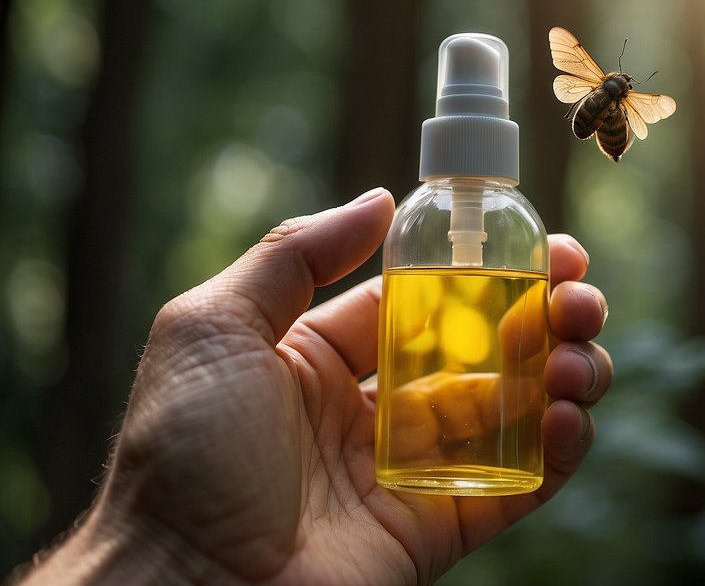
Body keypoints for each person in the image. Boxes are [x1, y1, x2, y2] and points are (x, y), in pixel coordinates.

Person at [16, 188, 613, 585]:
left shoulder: (512, 222)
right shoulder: (420, 218)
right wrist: (167, 547)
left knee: (550, 374)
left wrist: (165, 558)